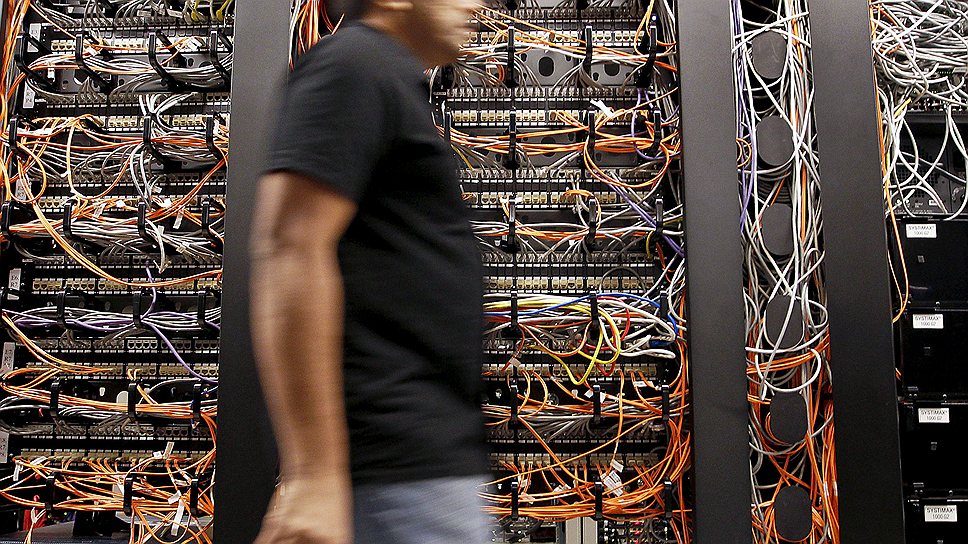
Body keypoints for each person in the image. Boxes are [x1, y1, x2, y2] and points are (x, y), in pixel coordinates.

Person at [248, 0, 487, 542]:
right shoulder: (354, 65)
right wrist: (314, 476)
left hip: (420, 468)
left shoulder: (386, 76)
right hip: (390, 476)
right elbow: (290, 246)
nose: (477, 3)